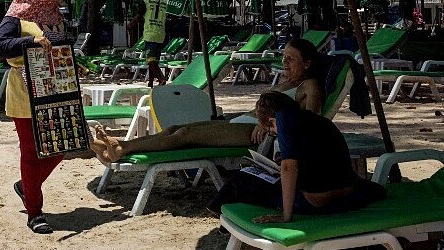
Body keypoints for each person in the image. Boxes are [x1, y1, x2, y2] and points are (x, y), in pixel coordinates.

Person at [91, 38, 325, 163]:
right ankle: (120, 146)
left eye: (291, 59)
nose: (284, 63)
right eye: (283, 57)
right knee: (175, 128)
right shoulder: (285, 83)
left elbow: (313, 124)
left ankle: (119, 147)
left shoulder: (309, 85)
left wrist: (269, 125)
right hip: (246, 122)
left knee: (184, 137)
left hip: (258, 134)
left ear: (307, 63)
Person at [0, 0, 74, 235]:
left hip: (55, 89)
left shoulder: (55, 14)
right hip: (24, 91)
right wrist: (30, 41)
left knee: (62, 146)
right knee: (30, 152)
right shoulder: (15, 14)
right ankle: (35, 212)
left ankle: (26, 186)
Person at [207, 91, 385, 219]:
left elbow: (288, 168)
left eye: (270, 130)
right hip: (346, 191)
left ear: (271, 120)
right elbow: (317, 157)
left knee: (242, 178)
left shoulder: (283, 120)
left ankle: (218, 212)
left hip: (315, 201)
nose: (274, 132)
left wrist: (286, 216)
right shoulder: (315, 120)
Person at [130, 0, 167, 87]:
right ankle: (150, 82)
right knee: (154, 60)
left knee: (150, 60)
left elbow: (139, 15)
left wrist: (130, 25)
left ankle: (161, 78)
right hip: (161, 34)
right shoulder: (165, 2)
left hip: (150, 34)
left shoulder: (145, 0)